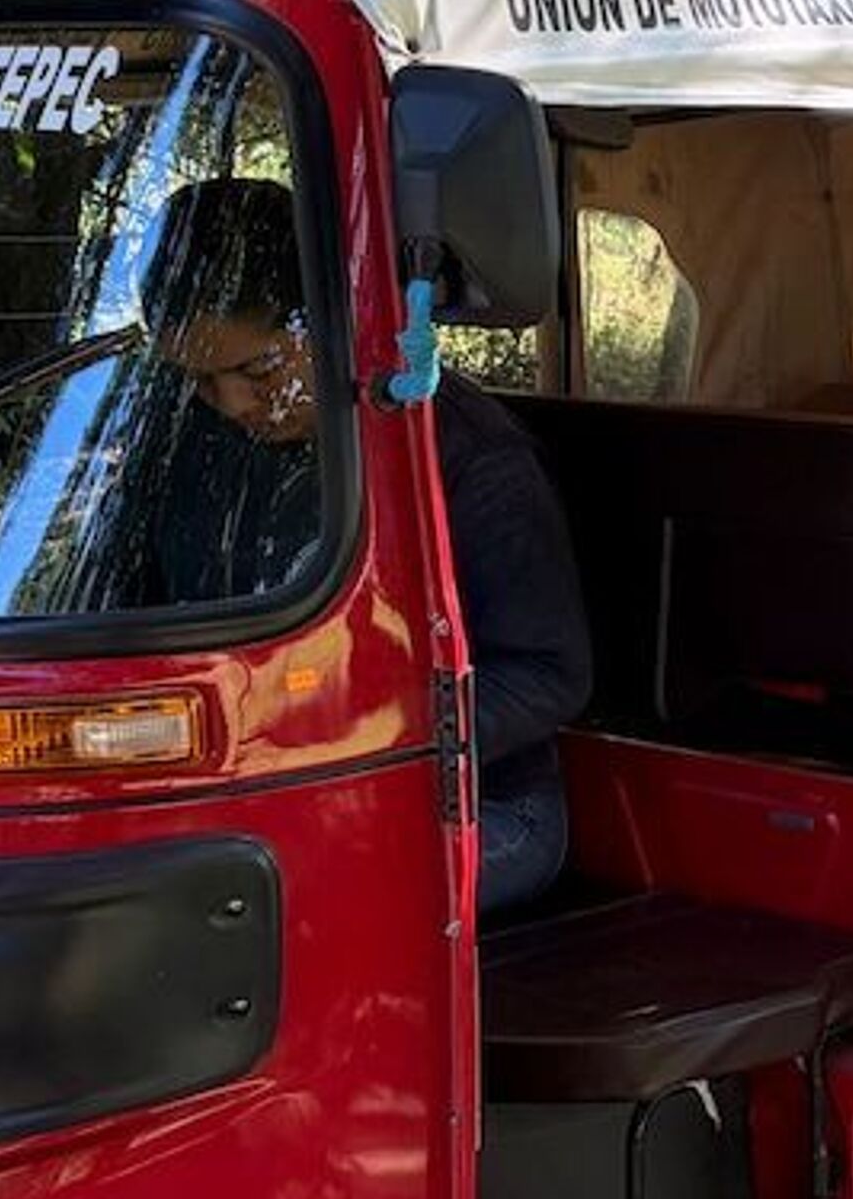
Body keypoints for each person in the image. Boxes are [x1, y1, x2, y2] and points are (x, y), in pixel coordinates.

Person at [137, 169, 590, 913]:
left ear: (332, 316)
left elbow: (550, 676)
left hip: (477, 806)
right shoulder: (196, 442)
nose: (232, 404)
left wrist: (352, 734)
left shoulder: (464, 457)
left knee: (248, 913)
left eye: (256, 370)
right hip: (245, 791)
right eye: (198, 381)